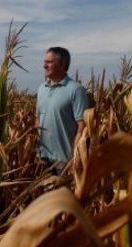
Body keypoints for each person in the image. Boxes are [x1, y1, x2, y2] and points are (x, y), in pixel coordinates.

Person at [36, 47, 88, 175]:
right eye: (44, 62)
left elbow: (83, 126)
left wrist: (74, 157)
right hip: (42, 157)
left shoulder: (76, 90)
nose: (44, 65)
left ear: (62, 65)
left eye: (49, 62)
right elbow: (37, 119)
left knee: (63, 194)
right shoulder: (42, 89)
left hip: (64, 160)